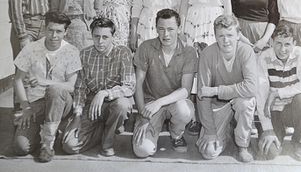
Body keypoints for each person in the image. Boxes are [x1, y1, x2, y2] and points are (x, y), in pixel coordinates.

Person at [178, 0, 237, 134]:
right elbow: (183, 5)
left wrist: (229, 30)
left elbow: (228, 6)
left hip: (216, 21)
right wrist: (182, 29)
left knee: (216, 66)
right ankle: (195, 116)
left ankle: (217, 113)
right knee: (195, 68)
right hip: (195, 21)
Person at [12, 11, 81, 162]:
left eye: (59, 31)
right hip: (36, 103)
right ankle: (45, 131)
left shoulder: (71, 51)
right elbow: (18, 80)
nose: (54, 35)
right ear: (44, 28)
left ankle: (48, 143)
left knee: (55, 90)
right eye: (50, 30)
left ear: (66, 32)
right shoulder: (31, 48)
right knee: (20, 147)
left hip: (62, 104)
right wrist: (26, 107)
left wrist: (45, 82)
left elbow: (70, 86)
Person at [62, 17, 135, 157]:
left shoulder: (122, 52)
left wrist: (104, 93)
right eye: (96, 36)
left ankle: (107, 142)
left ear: (113, 37)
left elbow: (129, 86)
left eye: (105, 37)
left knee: (123, 105)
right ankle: (101, 129)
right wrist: (77, 115)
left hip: (113, 102)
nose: (100, 42)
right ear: (91, 36)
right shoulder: (84, 54)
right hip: (91, 105)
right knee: (69, 146)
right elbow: (80, 88)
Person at [132, 9, 197, 157]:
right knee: (143, 151)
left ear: (179, 29)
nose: (165, 34)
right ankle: (154, 127)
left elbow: (185, 90)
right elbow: (138, 83)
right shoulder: (146, 47)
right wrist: (143, 117)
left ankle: (176, 135)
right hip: (150, 104)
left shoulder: (188, 51)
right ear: (156, 29)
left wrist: (160, 102)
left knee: (185, 110)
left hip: (174, 102)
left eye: (170, 29)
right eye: (161, 29)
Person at [196, 15, 257, 163]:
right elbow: (202, 95)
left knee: (246, 102)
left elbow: (251, 87)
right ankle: (225, 132)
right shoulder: (207, 54)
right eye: (221, 36)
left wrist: (216, 90)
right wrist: (210, 131)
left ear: (238, 35)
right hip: (218, 106)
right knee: (208, 152)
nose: (226, 40)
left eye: (230, 35)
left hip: (239, 100)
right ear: (215, 36)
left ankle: (243, 145)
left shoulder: (246, 51)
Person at [256, 24, 301, 162]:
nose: (283, 49)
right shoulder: (263, 57)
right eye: (278, 44)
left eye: (287, 44)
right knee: (270, 153)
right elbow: (261, 95)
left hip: (291, 109)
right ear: (271, 42)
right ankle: (276, 131)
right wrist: (268, 128)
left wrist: (277, 93)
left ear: (294, 43)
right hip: (272, 111)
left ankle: (298, 142)